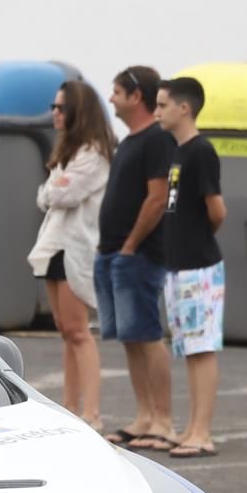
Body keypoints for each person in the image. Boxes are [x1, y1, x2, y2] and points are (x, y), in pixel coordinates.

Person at [93, 66, 178, 451]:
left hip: (138, 255)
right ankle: (144, 416)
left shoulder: (156, 141)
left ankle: (162, 419)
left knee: (146, 335)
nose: (111, 99)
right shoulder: (129, 142)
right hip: (112, 252)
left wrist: (130, 245)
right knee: (130, 337)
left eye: (116, 92)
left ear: (135, 96)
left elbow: (157, 197)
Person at [27, 79, 113, 428]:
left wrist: (51, 189)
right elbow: (46, 194)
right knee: (65, 331)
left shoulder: (93, 153)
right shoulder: (68, 152)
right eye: (53, 107)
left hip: (75, 248)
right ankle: (69, 405)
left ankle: (91, 413)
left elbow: (61, 195)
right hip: (53, 246)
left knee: (78, 331)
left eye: (61, 107)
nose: (54, 113)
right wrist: (52, 189)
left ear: (77, 111)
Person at [154, 75, 226, 459]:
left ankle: (203, 431)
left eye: (163, 105)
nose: (158, 111)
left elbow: (217, 210)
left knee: (202, 347)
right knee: (188, 347)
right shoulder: (177, 151)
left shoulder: (201, 152)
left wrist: (197, 238)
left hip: (199, 266)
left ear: (185, 108)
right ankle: (191, 427)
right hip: (177, 266)